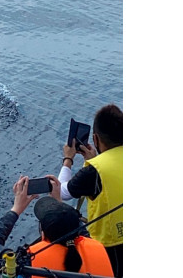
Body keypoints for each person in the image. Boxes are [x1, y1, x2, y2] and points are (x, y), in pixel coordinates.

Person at [0, 175, 114, 277]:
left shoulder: (26, 261)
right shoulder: (96, 246)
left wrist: (16, 210)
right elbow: (76, 227)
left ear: (43, 234)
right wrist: (60, 204)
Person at [58, 104, 123, 277]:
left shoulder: (94, 171)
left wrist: (68, 159)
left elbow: (62, 192)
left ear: (95, 139)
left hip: (111, 245)